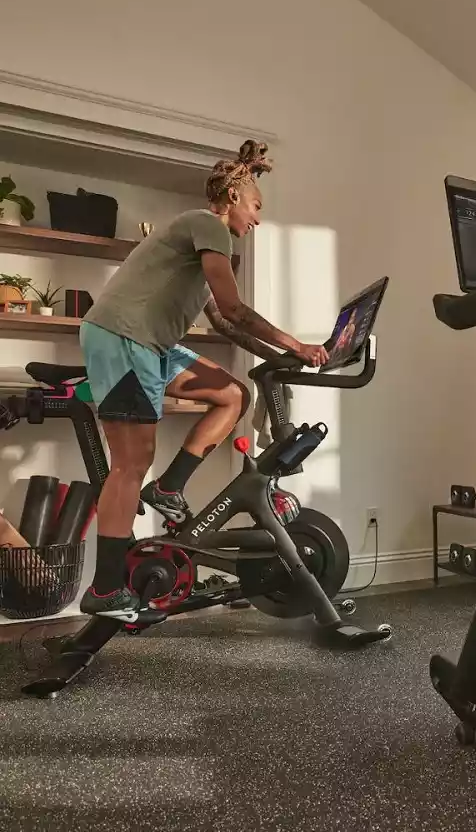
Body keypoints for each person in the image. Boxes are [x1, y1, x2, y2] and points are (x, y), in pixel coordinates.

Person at [79, 139, 330, 623]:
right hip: (123, 337)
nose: (257, 220)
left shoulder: (205, 241)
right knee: (131, 465)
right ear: (235, 198)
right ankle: (105, 589)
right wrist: (297, 345)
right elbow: (235, 308)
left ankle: (169, 488)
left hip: (152, 343)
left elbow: (221, 320)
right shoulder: (206, 224)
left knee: (232, 394)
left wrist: (283, 357)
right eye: (257, 208)